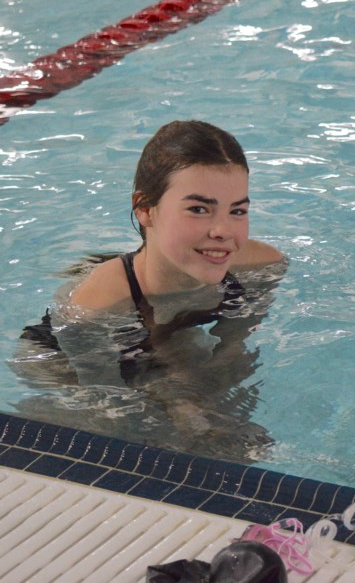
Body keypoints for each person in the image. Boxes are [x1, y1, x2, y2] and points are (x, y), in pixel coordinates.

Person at [12, 120, 286, 462]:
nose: (223, 231)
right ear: (144, 209)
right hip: (64, 358)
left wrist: (202, 412)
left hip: (164, 333)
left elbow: (233, 356)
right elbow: (109, 400)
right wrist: (181, 411)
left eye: (238, 211)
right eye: (198, 209)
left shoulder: (261, 270)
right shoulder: (98, 305)